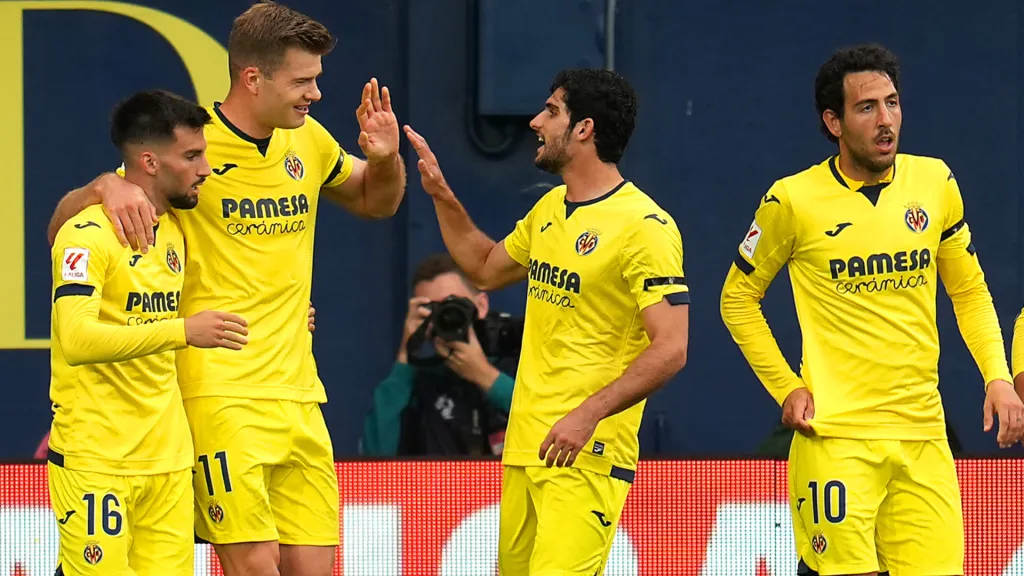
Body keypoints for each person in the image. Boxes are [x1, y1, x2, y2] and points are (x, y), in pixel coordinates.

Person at [45, 1, 406, 573]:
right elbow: (66, 223)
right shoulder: (193, 148)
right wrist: (100, 188)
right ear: (253, 77)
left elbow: (375, 201)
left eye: (316, 79)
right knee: (254, 564)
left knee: (313, 566)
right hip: (219, 390)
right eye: (303, 80)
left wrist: (385, 161)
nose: (315, 93)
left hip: (298, 389)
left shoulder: (307, 140)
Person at [719, 43, 1024, 576]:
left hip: (923, 437)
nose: (886, 121)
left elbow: (969, 290)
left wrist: (997, 378)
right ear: (833, 121)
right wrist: (786, 387)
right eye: (867, 108)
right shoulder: (792, 200)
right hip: (836, 439)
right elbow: (737, 299)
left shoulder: (934, 182)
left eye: (893, 103)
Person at [404, 69, 690, 574]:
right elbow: (485, 268)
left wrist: (588, 415)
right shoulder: (550, 209)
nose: (535, 121)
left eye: (551, 111)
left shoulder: (645, 227)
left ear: (584, 129)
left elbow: (671, 347)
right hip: (526, 448)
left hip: (586, 453)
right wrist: (440, 192)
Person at [47, 89, 249, 575]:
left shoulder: (178, 226)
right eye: (192, 155)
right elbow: (77, 341)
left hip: (169, 461)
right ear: (149, 161)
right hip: (98, 459)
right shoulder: (88, 234)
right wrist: (181, 330)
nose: (205, 168)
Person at [362, 253, 518, 456]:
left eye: (451, 305)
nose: (444, 317)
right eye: (431, 309)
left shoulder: (520, 360)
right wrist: (405, 353)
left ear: (481, 305)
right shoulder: (421, 381)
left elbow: (549, 427)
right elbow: (376, 455)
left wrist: (486, 376)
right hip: (440, 486)